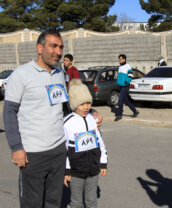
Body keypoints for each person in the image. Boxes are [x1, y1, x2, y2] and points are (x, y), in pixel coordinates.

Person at [3, 29, 103, 207]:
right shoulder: (21, 74)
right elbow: (9, 112)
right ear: (39, 48)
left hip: (58, 150)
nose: (58, 52)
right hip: (32, 154)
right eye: (53, 46)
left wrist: (91, 110)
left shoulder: (59, 74)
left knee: (53, 201)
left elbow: (66, 106)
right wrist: (16, 147)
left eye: (61, 47)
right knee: (31, 202)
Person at [63, 79, 108, 208]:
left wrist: (103, 163)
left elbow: (100, 143)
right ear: (74, 104)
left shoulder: (93, 119)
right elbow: (64, 150)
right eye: (82, 104)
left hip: (93, 170)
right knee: (76, 203)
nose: (86, 107)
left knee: (91, 201)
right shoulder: (67, 123)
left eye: (88, 103)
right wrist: (66, 171)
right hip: (76, 171)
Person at [114, 54, 139, 121]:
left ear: (124, 59)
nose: (119, 60)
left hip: (125, 86)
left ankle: (119, 115)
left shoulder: (128, 66)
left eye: (121, 59)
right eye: (119, 59)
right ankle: (135, 111)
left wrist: (126, 82)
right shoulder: (120, 67)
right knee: (126, 101)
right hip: (121, 86)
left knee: (120, 101)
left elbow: (130, 76)